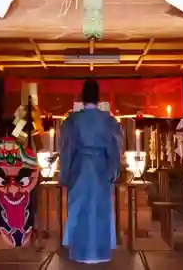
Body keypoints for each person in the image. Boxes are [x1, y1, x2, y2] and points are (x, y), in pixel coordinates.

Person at [59, 78, 122, 264]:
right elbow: (115, 148)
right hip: (101, 169)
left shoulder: (72, 120)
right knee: (100, 210)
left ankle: (80, 252)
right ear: (98, 98)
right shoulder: (109, 121)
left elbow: (66, 148)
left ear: (82, 97)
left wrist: (64, 175)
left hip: (79, 169)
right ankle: (100, 252)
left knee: (79, 210)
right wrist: (113, 172)